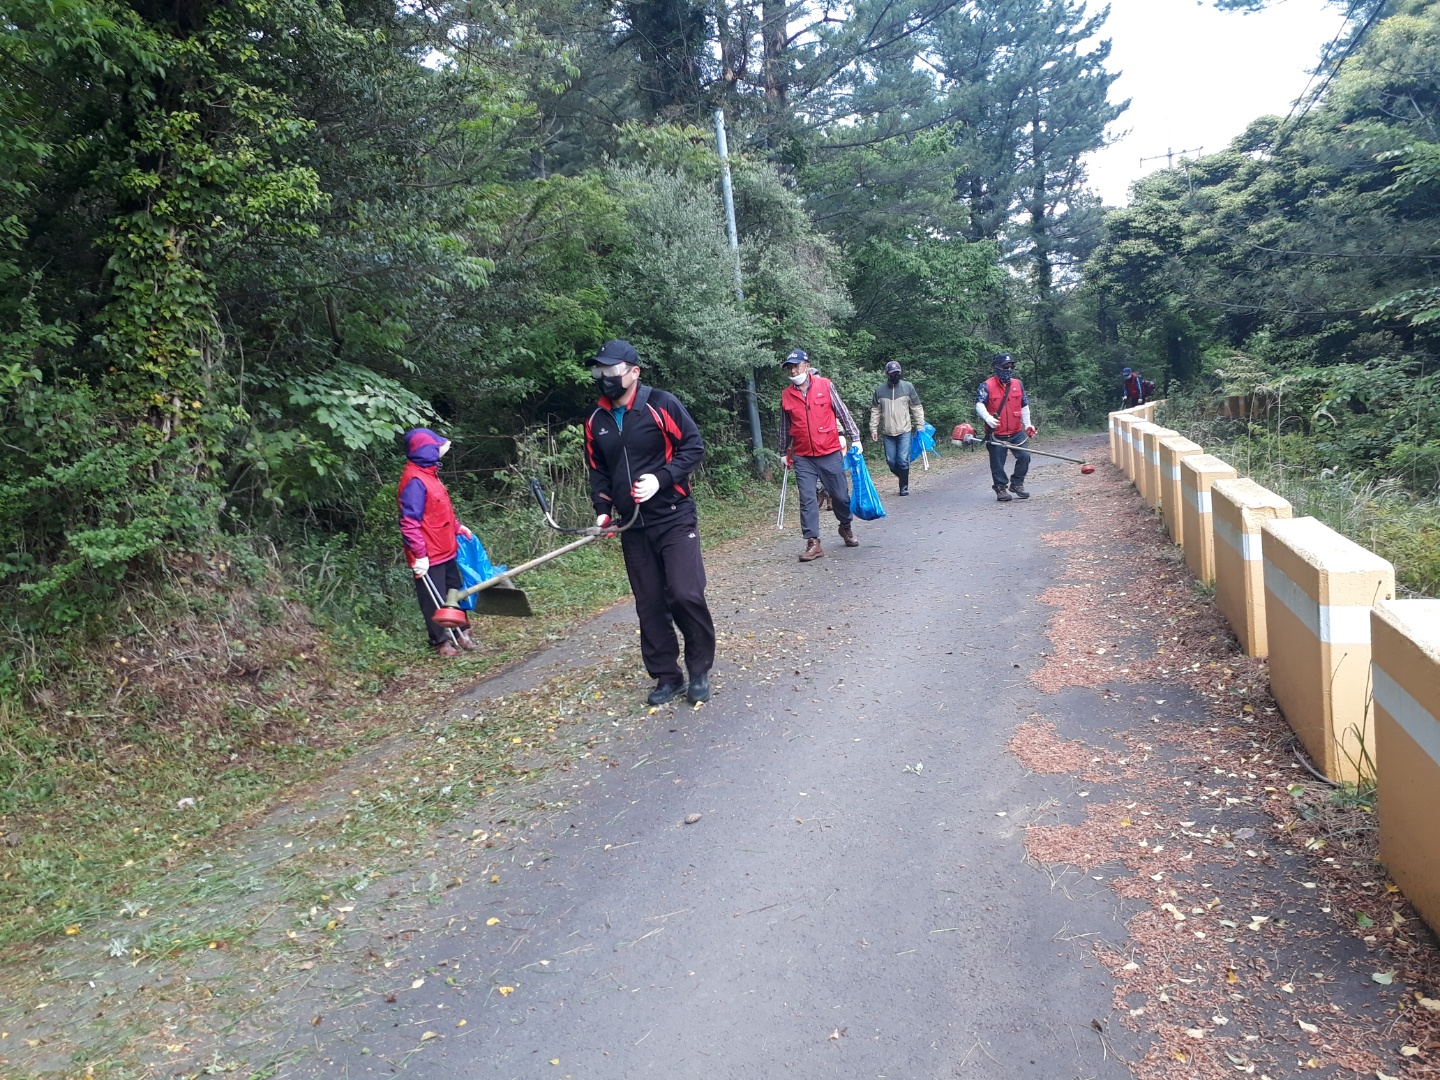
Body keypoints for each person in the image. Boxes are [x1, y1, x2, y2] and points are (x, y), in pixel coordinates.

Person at [583, 339, 716, 706]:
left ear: (634, 372)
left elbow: (693, 446)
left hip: (674, 516)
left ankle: (699, 668)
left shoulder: (661, 404)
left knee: (685, 593)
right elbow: (599, 471)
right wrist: (603, 509)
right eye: (600, 371)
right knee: (649, 603)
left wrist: (662, 477)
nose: (604, 377)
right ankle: (666, 676)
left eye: (612, 371)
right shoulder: (597, 420)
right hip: (633, 526)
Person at [399, 427, 477, 657]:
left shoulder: (429, 475)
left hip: (445, 546)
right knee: (433, 598)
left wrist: (457, 527)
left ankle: (462, 631)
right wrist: (419, 554)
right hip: (428, 553)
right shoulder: (414, 480)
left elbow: (439, 511)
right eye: (437, 446)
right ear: (426, 451)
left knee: (454, 590)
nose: (442, 449)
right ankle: (441, 641)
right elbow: (409, 522)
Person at [779, 348, 862, 561]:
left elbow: (842, 411)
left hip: (829, 451)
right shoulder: (786, 395)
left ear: (807, 366)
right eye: (789, 368)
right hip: (803, 456)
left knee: (840, 497)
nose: (793, 371)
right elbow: (784, 426)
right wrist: (782, 452)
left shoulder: (825, 385)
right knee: (808, 499)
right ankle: (813, 542)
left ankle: (845, 526)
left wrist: (856, 437)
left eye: (796, 366)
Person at [976, 352, 1037, 503]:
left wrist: (1028, 424)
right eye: (1005, 366)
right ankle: (1000, 488)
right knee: (997, 463)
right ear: (997, 367)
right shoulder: (987, 385)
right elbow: (979, 404)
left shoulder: (1018, 384)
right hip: (996, 432)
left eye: (1011, 366)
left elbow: (1024, 406)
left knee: (1025, 456)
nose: (1008, 369)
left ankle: (1017, 483)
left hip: (1016, 431)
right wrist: (987, 418)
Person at [869, 360, 926, 495]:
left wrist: (920, 425)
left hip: (904, 430)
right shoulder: (879, 390)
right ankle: (903, 476)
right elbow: (875, 411)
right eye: (893, 373)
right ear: (887, 374)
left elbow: (916, 407)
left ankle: (904, 487)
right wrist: (873, 428)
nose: (895, 375)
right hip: (888, 432)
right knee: (891, 461)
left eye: (897, 373)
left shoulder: (908, 387)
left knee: (902, 460)